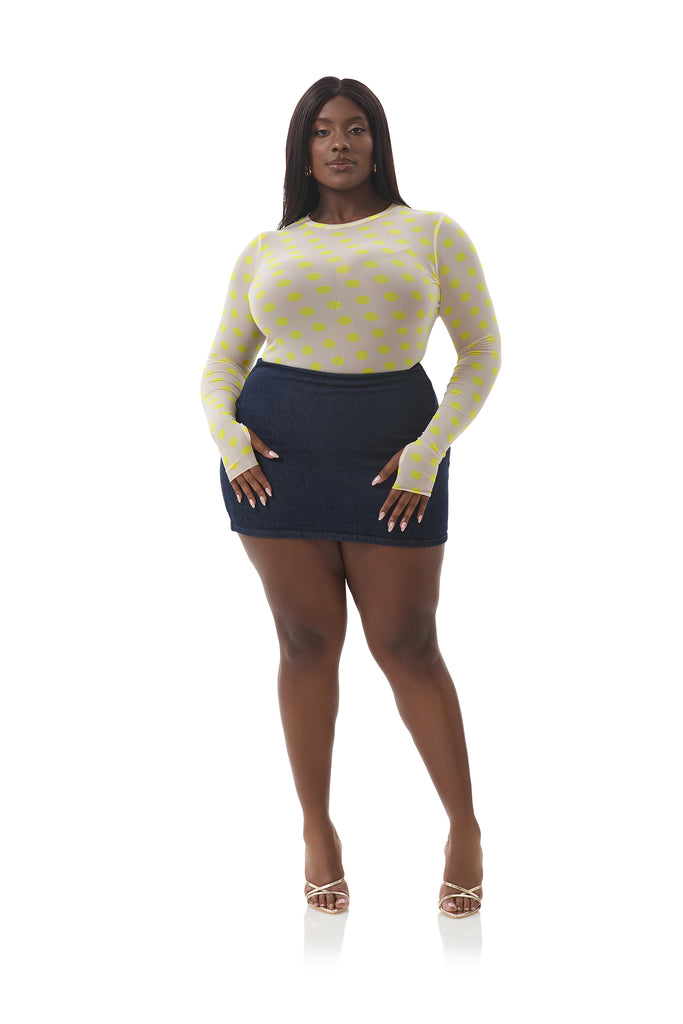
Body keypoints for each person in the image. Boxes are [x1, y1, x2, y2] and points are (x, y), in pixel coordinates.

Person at [199, 77, 502, 918]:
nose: (340, 143)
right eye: (323, 130)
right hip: (274, 465)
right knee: (303, 643)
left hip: (391, 460)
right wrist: (230, 442)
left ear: (377, 143)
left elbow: (480, 353)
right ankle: (316, 832)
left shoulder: (430, 232)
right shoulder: (266, 248)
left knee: (407, 643)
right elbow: (221, 363)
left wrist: (427, 453)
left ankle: (464, 827)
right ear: (302, 150)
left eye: (356, 128)